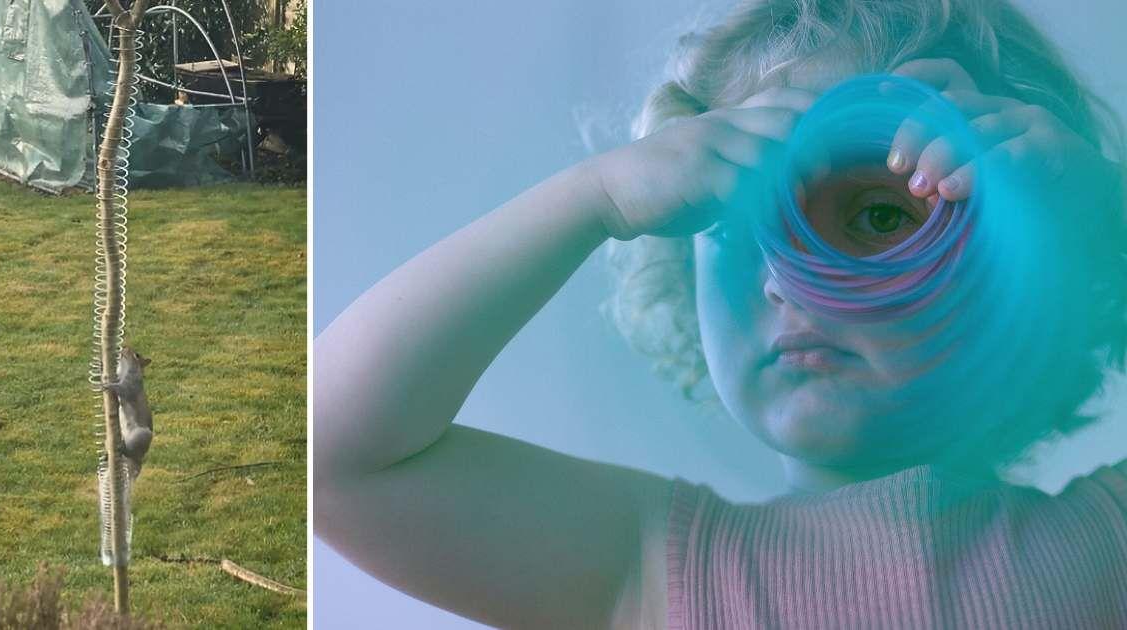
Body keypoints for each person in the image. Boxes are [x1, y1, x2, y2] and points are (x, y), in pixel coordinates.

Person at [315, 0, 1127, 627]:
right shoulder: (651, 566)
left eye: (881, 217)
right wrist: (599, 197)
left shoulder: (1107, 542)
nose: (789, 282)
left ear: (1026, 273)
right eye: (739, 223)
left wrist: (1102, 225)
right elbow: (332, 456)